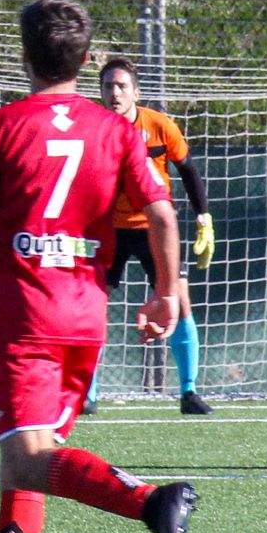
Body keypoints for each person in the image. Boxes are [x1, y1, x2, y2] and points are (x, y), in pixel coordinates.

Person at [0, 0, 198, 533]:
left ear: (23, 56)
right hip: (87, 315)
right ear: (87, 61)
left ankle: (148, 500)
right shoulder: (117, 129)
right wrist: (166, 294)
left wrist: (7, 264)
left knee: (32, 460)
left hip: (26, 319)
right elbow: (164, 213)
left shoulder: (3, 125)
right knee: (23, 465)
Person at [87, 57, 214, 416]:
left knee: (180, 301)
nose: (115, 92)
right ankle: (88, 393)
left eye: (122, 86)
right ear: (100, 91)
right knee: (92, 306)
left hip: (153, 230)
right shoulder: (93, 128)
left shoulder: (160, 126)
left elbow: (188, 170)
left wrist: (203, 218)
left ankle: (189, 392)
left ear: (135, 92)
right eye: (108, 86)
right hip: (108, 228)